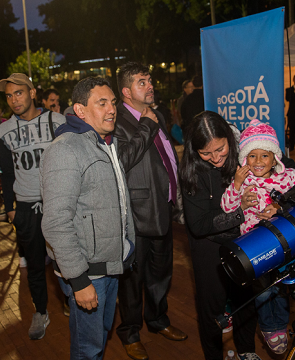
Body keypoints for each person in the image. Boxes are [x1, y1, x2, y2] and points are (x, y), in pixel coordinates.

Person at [41, 76, 135, 360]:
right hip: (87, 272)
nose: (112, 109)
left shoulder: (106, 142)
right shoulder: (66, 149)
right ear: (80, 110)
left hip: (109, 265)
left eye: (113, 102)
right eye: (102, 103)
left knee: (101, 335)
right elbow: (56, 222)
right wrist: (79, 280)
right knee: (88, 349)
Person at [221, 119, 295, 355]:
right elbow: (226, 207)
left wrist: (282, 209)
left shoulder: (289, 178)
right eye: (252, 156)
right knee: (264, 290)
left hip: (287, 243)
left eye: (264, 155)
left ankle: (279, 325)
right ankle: (269, 328)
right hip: (257, 247)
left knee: (283, 285)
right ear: (245, 159)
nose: (258, 162)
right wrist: (236, 188)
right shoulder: (242, 181)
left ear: (275, 157)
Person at [114, 62, 187, 360]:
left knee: (161, 272)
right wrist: (146, 125)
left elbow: (166, 156)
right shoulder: (117, 120)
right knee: (132, 280)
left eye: (150, 80)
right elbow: (123, 160)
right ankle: (130, 333)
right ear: (126, 91)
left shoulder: (157, 114)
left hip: (163, 207)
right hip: (136, 213)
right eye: (142, 82)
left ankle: (157, 321)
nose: (150, 85)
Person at [179, 111, 261, 360]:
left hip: (243, 240)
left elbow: (278, 170)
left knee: (246, 300)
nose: (215, 158)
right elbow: (199, 225)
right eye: (206, 153)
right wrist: (240, 212)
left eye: (221, 149)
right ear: (195, 151)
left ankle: (247, 351)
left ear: (229, 139)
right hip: (208, 247)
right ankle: (214, 356)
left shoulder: (244, 155)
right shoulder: (192, 172)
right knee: (212, 310)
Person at [0, 73, 66, 339]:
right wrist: (11, 207)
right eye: (9, 95)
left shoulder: (57, 122)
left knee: (66, 257)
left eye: (19, 93)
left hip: (57, 202)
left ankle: (73, 300)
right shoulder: (3, 130)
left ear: (33, 93)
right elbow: (6, 172)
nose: (14, 100)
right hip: (25, 207)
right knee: (35, 265)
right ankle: (41, 311)